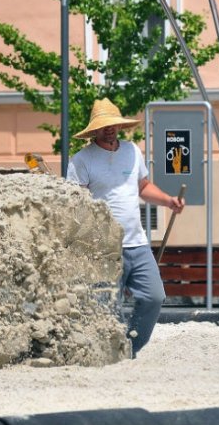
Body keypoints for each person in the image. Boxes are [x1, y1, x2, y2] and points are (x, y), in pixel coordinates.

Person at [66, 98, 184, 356]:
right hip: (103, 248)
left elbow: (143, 187)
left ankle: (130, 348)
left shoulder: (132, 151)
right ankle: (109, 353)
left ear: (119, 126)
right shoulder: (81, 160)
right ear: (94, 130)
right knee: (107, 306)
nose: (109, 129)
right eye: (104, 125)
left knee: (154, 297)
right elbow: (76, 204)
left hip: (137, 243)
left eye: (113, 124)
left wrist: (168, 201)